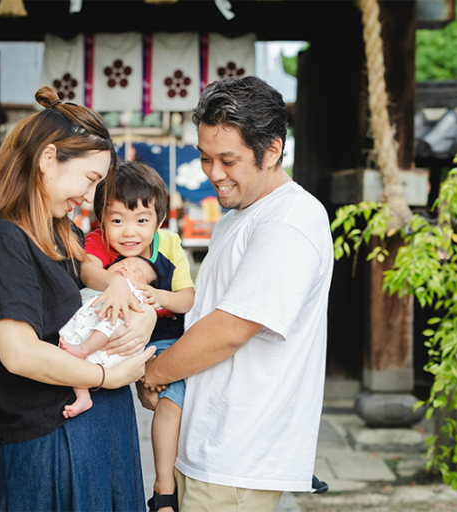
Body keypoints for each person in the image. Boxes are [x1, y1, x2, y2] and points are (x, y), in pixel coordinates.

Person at [139, 75, 334, 511]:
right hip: (207, 441)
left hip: (237, 456)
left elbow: (230, 329)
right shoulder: (238, 215)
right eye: (205, 158)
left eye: (228, 159)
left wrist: (156, 372)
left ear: (272, 150)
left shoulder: (288, 220)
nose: (213, 174)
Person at [0, 86, 157, 512]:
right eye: (90, 180)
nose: (90, 198)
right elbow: (19, 354)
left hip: (100, 423)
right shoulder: (1, 238)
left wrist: (137, 310)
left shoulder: (59, 231)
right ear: (48, 158)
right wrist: (109, 377)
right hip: (53, 437)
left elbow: (100, 286)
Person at [84, 161, 195, 512]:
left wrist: (162, 298)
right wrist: (114, 281)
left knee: (173, 398)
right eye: (117, 220)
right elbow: (87, 270)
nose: (129, 232)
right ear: (101, 219)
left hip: (163, 335)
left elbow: (188, 299)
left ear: (159, 220)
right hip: (112, 336)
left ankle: (164, 487)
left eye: (142, 221)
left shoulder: (170, 244)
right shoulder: (98, 243)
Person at [59, 256, 161, 418]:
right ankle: (83, 395)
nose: (127, 268)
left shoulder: (134, 292)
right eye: (123, 264)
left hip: (109, 342)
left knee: (110, 319)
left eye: (136, 272)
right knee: (73, 359)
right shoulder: (97, 286)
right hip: (86, 334)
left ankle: (84, 350)